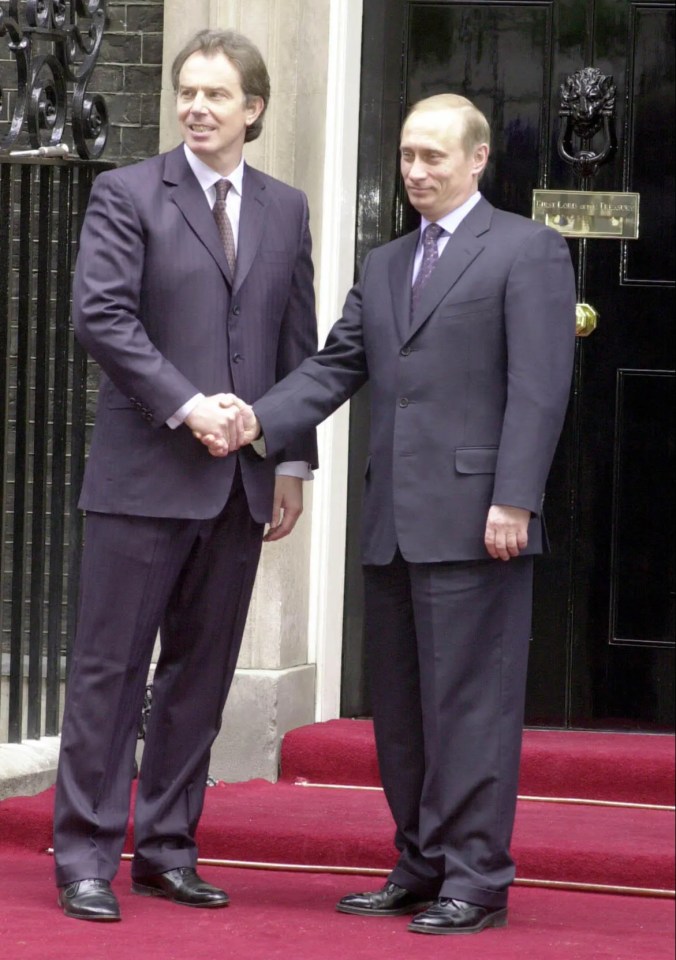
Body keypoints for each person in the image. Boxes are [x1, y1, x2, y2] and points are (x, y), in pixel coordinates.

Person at [205, 93, 576, 936]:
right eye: (408, 156)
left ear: (477, 159)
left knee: (471, 711)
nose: (416, 171)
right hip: (393, 525)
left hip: (482, 520)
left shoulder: (528, 250)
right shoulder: (383, 263)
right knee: (404, 715)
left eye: (434, 157)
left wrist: (514, 496)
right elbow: (335, 366)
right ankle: (419, 864)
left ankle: (476, 880)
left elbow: (541, 387)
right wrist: (258, 420)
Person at [53, 29, 318, 922]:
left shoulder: (286, 209)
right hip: (142, 479)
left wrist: (290, 461)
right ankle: (87, 853)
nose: (196, 108)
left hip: (242, 487)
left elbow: (295, 344)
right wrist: (188, 404)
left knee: (197, 679)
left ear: (254, 108)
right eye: (186, 93)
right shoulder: (126, 193)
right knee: (110, 673)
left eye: (215, 95)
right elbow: (102, 317)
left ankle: (167, 848)